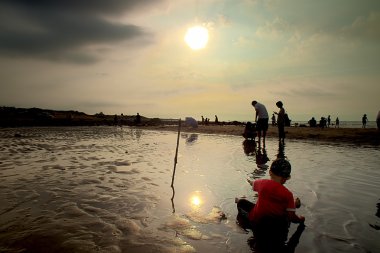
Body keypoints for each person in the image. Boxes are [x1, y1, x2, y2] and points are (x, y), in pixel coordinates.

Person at [236, 158, 305, 251]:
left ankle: (239, 201)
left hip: (257, 222)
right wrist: (300, 219)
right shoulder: (288, 194)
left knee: (241, 202)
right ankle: (294, 204)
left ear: (270, 172)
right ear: (285, 178)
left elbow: (252, 183)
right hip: (276, 228)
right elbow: (292, 217)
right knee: (285, 212)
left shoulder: (262, 183)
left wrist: (248, 180)